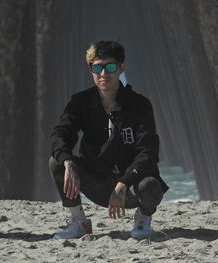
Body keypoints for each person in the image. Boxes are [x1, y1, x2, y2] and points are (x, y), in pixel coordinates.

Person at [49, 40, 169, 239]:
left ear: (122, 67)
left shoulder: (139, 104)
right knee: (57, 161)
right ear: (91, 69)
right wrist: (68, 162)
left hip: (130, 187)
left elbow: (148, 153)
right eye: (97, 67)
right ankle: (79, 222)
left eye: (110, 67)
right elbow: (59, 134)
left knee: (151, 186)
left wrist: (123, 183)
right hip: (97, 182)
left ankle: (142, 219)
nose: (104, 74)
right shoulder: (80, 102)